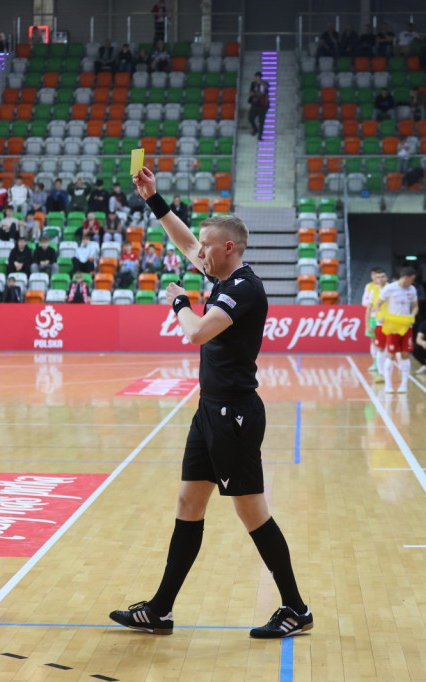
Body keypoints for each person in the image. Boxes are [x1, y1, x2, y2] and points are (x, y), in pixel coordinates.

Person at [110, 166, 311, 639]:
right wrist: (154, 200)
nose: (197, 251)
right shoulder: (221, 273)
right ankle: (159, 610)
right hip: (210, 412)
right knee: (188, 502)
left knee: (251, 512)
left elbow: (197, 331)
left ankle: (296, 608)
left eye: (206, 244)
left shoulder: (244, 288)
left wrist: (180, 302)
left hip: (235, 416)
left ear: (229, 248)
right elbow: (182, 242)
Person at [373, 267, 419, 394]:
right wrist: (379, 315)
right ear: (406, 278)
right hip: (392, 325)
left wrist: (412, 315)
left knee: (405, 354)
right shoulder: (390, 288)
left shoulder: (412, 289)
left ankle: (404, 384)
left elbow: (415, 307)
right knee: (391, 354)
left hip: (406, 326)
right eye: (412, 279)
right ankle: (388, 384)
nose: (413, 282)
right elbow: (377, 304)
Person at [362, 268, 388, 373]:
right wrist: (372, 306)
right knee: (374, 341)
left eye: (381, 276)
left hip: (387, 320)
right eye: (375, 276)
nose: (378, 278)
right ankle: (376, 363)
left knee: (388, 343)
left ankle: (388, 365)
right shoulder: (370, 287)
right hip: (374, 318)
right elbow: (364, 302)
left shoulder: (390, 288)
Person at [248, 72, 270, 140]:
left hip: (262, 105)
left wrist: (265, 87)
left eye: (258, 77)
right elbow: (250, 92)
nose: (256, 79)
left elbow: (267, 90)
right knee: (250, 118)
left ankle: (260, 136)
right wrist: (254, 94)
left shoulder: (264, 83)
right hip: (255, 104)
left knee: (261, 121)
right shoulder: (253, 84)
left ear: (260, 77)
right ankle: (255, 129)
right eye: (256, 77)